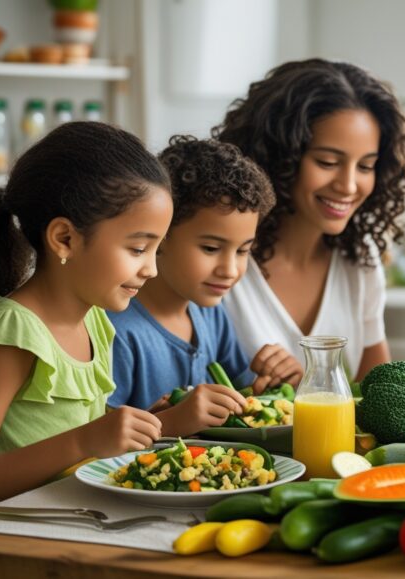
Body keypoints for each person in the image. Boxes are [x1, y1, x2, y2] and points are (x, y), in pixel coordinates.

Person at [0, 122, 173, 513]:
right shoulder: (12, 334)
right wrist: (84, 441)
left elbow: (52, 430)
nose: (152, 270)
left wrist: (153, 422)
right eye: (138, 249)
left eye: (156, 250)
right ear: (65, 238)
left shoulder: (94, 320)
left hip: (62, 526)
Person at [214, 59, 405, 382]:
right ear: (280, 156)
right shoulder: (219, 256)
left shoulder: (360, 260)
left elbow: (376, 398)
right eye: (328, 162)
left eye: (365, 167)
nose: (348, 185)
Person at [108, 136, 278, 435]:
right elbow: (99, 443)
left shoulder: (211, 314)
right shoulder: (116, 331)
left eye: (242, 251)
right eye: (211, 248)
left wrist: (274, 383)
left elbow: (243, 402)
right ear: (159, 236)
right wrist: (168, 422)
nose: (230, 270)